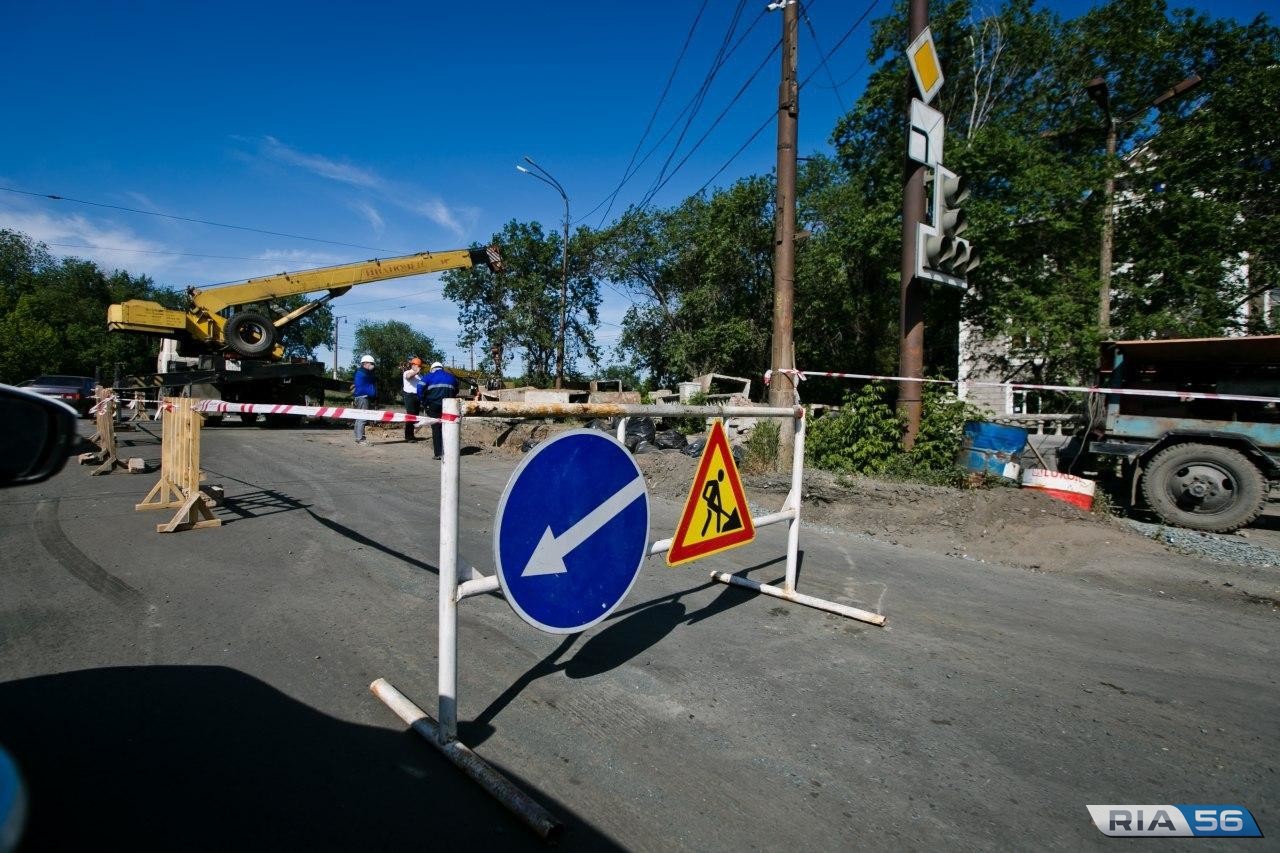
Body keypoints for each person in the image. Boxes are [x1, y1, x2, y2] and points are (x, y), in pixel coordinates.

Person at [418, 361, 459, 460]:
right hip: (449, 406)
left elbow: (419, 389)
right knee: (449, 428)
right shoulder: (452, 377)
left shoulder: (428, 377)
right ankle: (450, 452)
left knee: (436, 429)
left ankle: (438, 453)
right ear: (442, 368)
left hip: (433, 406)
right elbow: (456, 390)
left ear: (432, 369)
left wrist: (424, 402)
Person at [351, 354, 377, 444]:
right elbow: (373, 378)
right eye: (371, 363)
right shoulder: (363, 372)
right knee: (362, 418)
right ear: (365, 363)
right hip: (363, 397)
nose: (373, 366)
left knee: (359, 417)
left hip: (360, 397)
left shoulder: (360, 371)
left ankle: (358, 436)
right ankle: (360, 438)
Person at [401, 357, 423, 442]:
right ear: (413, 365)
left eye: (420, 366)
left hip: (417, 396)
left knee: (416, 416)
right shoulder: (407, 372)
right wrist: (416, 371)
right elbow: (408, 377)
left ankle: (412, 435)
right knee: (411, 415)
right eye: (418, 365)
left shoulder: (420, 376)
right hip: (409, 395)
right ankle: (408, 436)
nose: (419, 367)